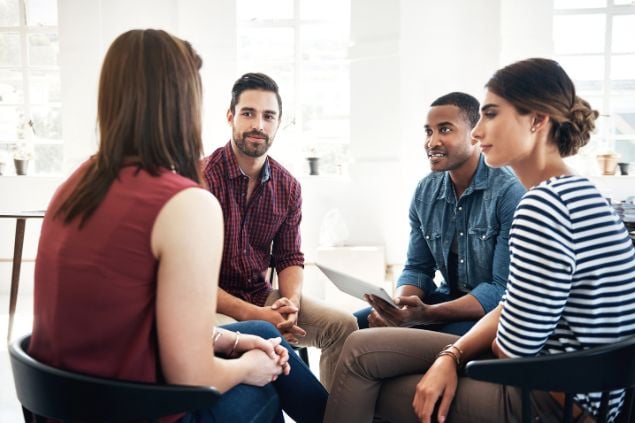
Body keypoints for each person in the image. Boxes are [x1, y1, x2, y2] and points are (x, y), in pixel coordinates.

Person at [28, 29, 327, 423]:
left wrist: (236, 340)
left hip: (69, 404)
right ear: (180, 102)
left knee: (267, 337)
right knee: (266, 386)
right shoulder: (183, 201)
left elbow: (140, 316)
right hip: (135, 409)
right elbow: (191, 379)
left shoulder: (77, 182)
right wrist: (246, 367)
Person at [324, 58, 635, 423]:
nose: (476, 132)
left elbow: (512, 348)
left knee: (363, 367)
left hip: (553, 399)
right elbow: (514, 306)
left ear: (536, 120)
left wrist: (450, 358)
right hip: (586, 390)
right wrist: (450, 355)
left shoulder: (541, 205)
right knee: (364, 345)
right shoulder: (580, 192)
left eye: (490, 115)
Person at [202, 72, 358, 392]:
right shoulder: (201, 179)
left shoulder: (288, 187)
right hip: (208, 305)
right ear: (230, 117)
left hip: (262, 296)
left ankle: (338, 415)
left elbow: (289, 256)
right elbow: (192, 281)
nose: (258, 124)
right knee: (260, 332)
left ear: (278, 123)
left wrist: (290, 303)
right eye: (248, 113)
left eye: (268, 116)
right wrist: (259, 315)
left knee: (344, 327)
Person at [355, 92, 525, 335]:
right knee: (353, 326)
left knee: (379, 343)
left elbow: (501, 290)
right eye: (428, 131)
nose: (432, 142)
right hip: (445, 300)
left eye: (445, 130)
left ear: (476, 135)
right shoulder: (426, 192)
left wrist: (425, 315)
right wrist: (399, 308)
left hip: (490, 317)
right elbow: (417, 267)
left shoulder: (509, 192)